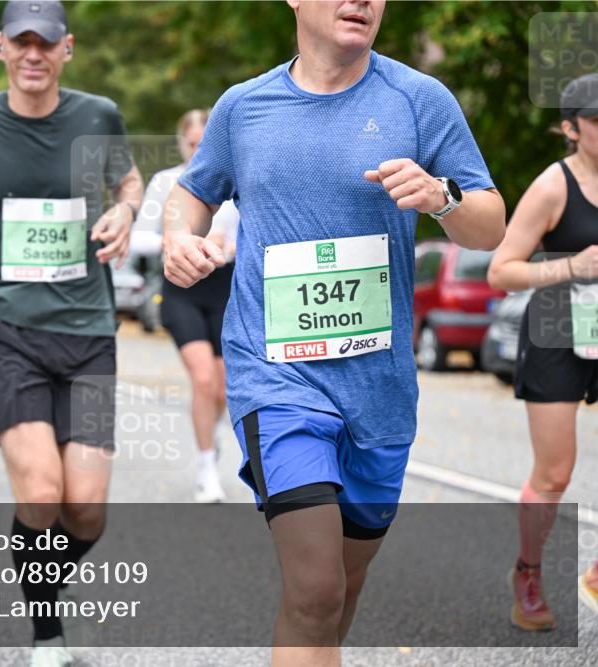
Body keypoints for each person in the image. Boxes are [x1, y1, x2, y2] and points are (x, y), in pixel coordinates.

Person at [162, 1, 505, 663]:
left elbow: (489, 223)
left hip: (379, 390)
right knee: (315, 587)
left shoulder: (418, 99)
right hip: (276, 378)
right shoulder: (244, 106)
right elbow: (193, 191)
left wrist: (443, 197)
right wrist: (180, 234)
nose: (362, 0)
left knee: (339, 591)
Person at [0, 2, 142, 664]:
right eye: (20, 42)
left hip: (90, 331)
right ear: (0, 48)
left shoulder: (97, 115)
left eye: (45, 43)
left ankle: (44, 574)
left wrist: (128, 210)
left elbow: (128, 179)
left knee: (88, 511)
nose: (33, 54)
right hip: (3, 326)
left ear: (66, 48)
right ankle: (46, 626)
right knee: (42, 492)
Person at [487, 72, 598, 628]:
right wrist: (571, 267)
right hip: (557, 327)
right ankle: (528, 573)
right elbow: (500, 270)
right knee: (555, 472)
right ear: (571, 128)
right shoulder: (554, 186)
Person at [136, 109, 239, 503]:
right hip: (181, 290)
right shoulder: (167, 183)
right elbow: (138, 240)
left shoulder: (232, 180)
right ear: (182, 143)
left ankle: (209, 435)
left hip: (224, 290)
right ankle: (206, 468)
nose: (198, 150)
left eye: (204, 143)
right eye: (192, 143)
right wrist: (174, 241)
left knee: (223, 386)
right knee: (203, 379)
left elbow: (253, 235)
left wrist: (229, 248)